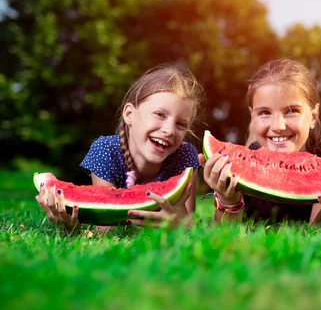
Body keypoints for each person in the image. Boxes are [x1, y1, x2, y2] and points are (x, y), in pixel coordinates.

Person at [35, 64, 205, 231]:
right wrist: (72, 228)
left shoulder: (185, 156)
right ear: (129, 114)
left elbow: (187, 219)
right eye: (160, 115)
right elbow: (105, 228)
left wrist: (181, 225)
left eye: (181, 124)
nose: (169, 130)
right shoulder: (105, 150)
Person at [201, 58, 321, 226]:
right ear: (252, 116)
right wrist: (229, 201)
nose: (278, 126)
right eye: (264, 113)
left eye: (292, 111)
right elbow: (224, 238)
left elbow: (317, 237)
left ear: (313, 116)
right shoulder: (236, 168)